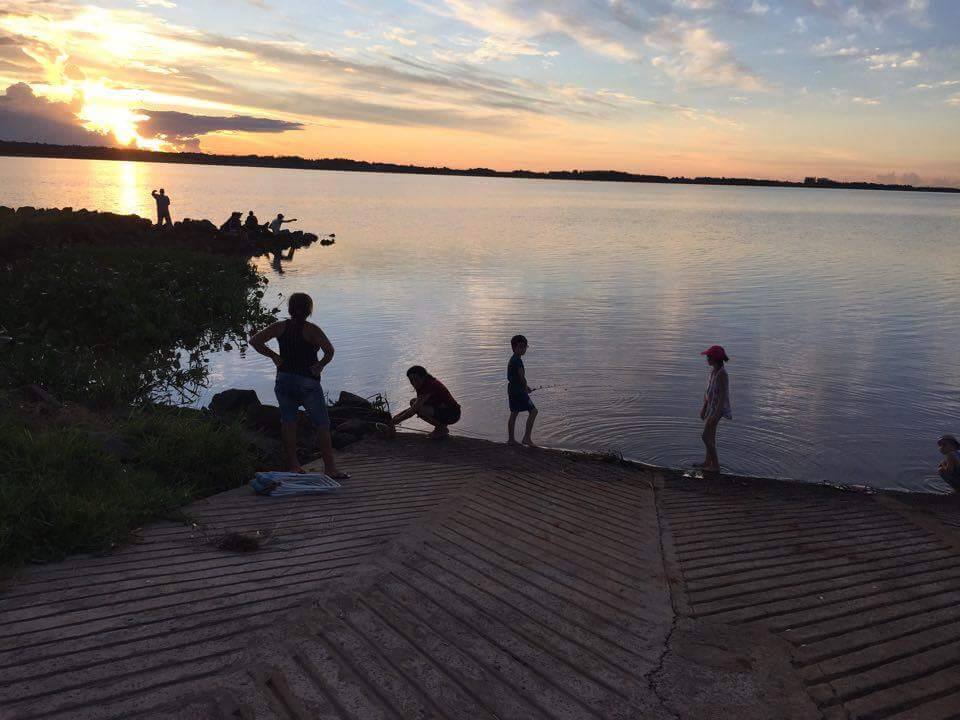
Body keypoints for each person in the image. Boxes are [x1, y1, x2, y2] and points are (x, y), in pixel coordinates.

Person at [249, 293, 349, 479]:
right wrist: (320, 366)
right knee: (322, 424)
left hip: (284, 379)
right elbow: (329, 351)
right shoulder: (312, 330)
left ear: (290, 309)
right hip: (307, 382)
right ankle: (330, 468)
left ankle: (294, 466)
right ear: (309, 310)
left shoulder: (279, 327)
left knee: (288, 422)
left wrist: (274, 356)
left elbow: (255, 341)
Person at [391, 366, 461, 439]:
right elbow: (414, 406)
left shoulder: (429, 385)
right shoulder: (423, 384)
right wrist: (397, 417)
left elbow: (414, 410)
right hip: (442, 410)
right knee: (413, 402)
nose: (414, 382)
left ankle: (441, 428)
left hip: (452, 414)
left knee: (419, 408)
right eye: (411, 380)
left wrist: (396, 421)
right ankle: (440, 427)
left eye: (416, 379)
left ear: (423, 377)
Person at [697, 345, 731, 473]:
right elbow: (708, 392)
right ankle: (708, 462)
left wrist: (716, 414)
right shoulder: (713, 372)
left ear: (715, 358)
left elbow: (723, 396)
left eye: (708, 357)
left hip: (717, 409)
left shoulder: (722, 374)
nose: (707, 359)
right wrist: (704, 407)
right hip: (712, 407)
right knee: (710, 436)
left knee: (705, 436)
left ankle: (716, 466)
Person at [507, 334, 538, 447]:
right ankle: (526, 438)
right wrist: (526, 388)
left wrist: (525, 387)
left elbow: (518, 378)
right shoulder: (518, 361)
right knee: (534, 411)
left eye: (525, 347)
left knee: (514, 413)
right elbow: (521, 377)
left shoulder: (513, 359)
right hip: (519, 392)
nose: (523, 349)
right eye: (520, 347)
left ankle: (511, 439)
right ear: (513, 348)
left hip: (512, 390)